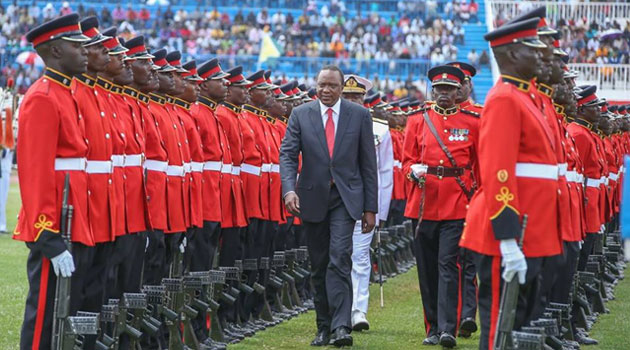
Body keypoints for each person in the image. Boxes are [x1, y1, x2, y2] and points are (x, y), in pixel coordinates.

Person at [459, 17, 563, 350]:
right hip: (509, 230)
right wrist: (507, 237)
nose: (541, 57)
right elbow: (498, 171)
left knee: (521, 319)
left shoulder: (526, 97)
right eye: (533, 50)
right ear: (513, 53)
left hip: (532, 230)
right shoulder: (505, 98)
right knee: (499, 326)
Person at [280, 65, 378, 347]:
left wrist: (370, 207)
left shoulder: (359, 115)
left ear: (341, 88)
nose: (325, 90)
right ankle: (323, 326)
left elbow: (367, 164)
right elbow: (287, 155)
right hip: (311, 198)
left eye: (332, 86)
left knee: (340, 257)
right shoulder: (301, 114)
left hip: (345, 200)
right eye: (321, 85)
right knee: (319, 263)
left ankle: (341, 326)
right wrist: (289, 190)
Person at [16, 13, 90, 350]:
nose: (85, 52)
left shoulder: (65, 93)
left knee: (66, 312)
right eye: (78, 46)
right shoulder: (43, 97)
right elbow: (35, 172)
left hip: (73, 214)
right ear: (57, 51)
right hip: (54, 222)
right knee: (45, 311)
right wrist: (48, 234)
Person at [403, 65, 479, 348]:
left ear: (459, 91)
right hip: (423, 204)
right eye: (439, 89)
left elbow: (479, 166)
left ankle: (448, 328)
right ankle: (432, 326)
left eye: (450, 89)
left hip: (457, 203)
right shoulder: (417, 120)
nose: (444, 94)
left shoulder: (472, 121)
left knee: (448, 264)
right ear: (432, 91)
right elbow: (407, 160)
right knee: (426, 268)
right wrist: (412, 172)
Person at [342, 75, 393, 332]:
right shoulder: (329, 124)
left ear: (364, 99)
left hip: (365, 203)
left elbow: (384, 173)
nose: (352, 101)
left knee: (360, 256)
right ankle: (340, 309)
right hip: (337, 202)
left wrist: (380, 210)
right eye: (347, 96)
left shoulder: (380, 129)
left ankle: (358, 310)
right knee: (338, 257)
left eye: (356, 96)